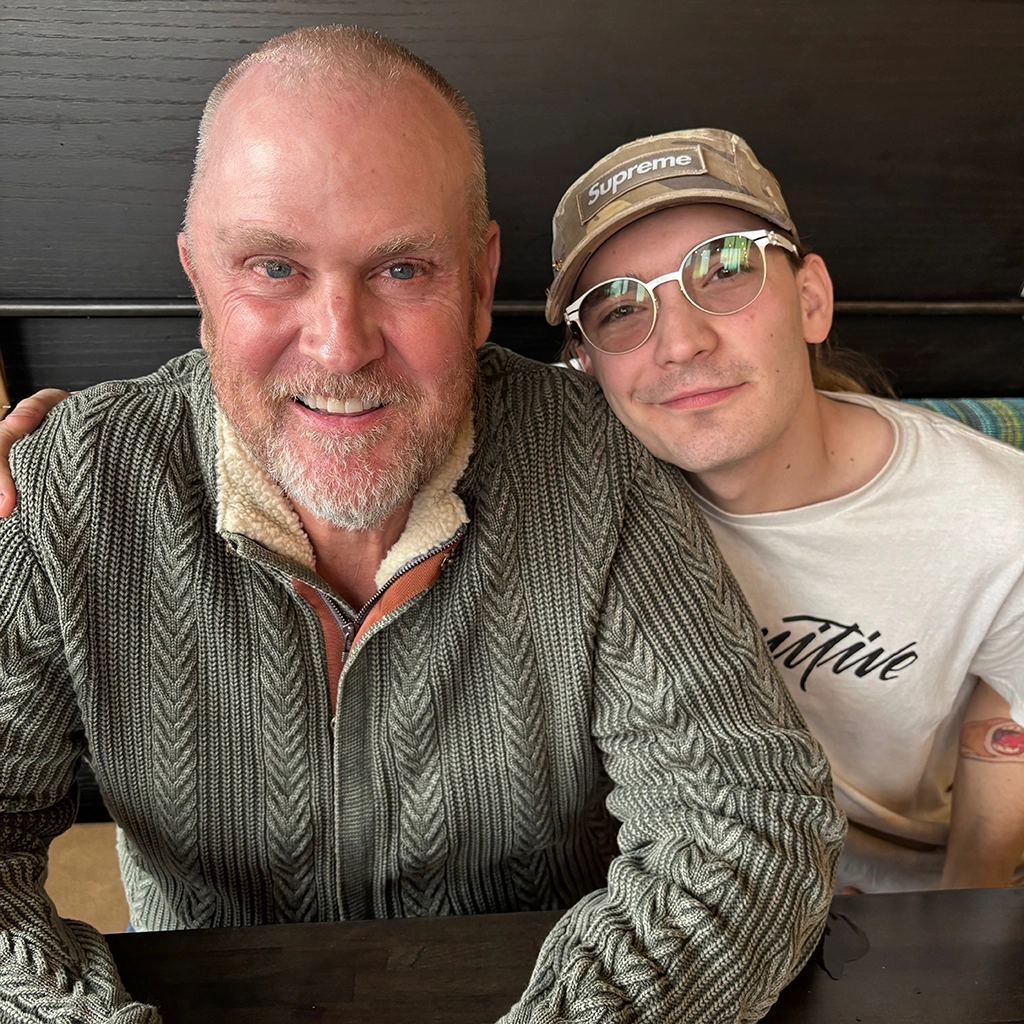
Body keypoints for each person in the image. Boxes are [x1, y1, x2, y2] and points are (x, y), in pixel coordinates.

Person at [0, 29, 843, 1024]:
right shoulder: (71, 484)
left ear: (482, 283)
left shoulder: (587, 458)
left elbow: (747, 815)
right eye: (272, 266)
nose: (339, 344)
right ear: (200, 282)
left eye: (401, 269)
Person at [544, 128, 1024, 894]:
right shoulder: (584, 511)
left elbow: (992, 817)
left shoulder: (1000, 521)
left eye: (724, 269)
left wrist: (948, 943)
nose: (679, 343)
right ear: (585, 365)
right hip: (694, 894)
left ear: (810, 300)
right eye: (618, 308)